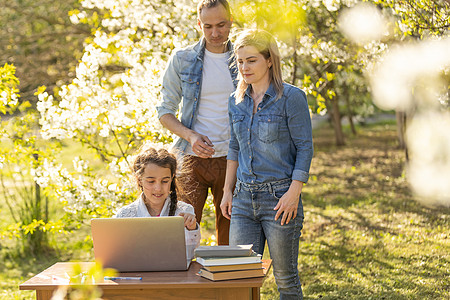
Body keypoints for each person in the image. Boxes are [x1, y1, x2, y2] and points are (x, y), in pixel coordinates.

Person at [220, 29, 313, 299]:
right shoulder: (235, 101)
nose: (244, 67)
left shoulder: (291, 98)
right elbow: (234, 147)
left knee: (285, 280)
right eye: (240, 61)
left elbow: (305, 148)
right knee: (240, 280)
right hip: (243, 200)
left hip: (280, 199)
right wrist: (228, 191)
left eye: (252, 60)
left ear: (269, 60)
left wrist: (293, 194)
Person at [156, 0, 237, 245]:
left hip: (233, 158)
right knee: (182, 234)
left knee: (231, 237)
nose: (215, 33)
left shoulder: (244, 59)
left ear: (231, 23)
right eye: (208, 26)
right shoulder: (182, 59)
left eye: (221, 25)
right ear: (199, 24)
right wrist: (191, 135)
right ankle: (185, 283)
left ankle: (227, 284)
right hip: (191, 160)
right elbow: (164, 111)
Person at [115, 147, 200, 261]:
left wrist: (192, 229)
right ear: (139, 180)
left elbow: (190, 256)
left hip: (173, 276)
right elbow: (118, 257)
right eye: (151, 181)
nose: (158, 188)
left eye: (165, 181)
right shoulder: (124, 215)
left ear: (172, 179)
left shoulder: (184, 211)